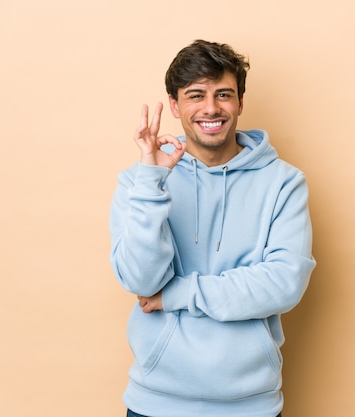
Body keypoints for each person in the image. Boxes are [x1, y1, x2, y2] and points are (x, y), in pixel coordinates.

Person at [109, 39, 316, 417]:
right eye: (195, 95)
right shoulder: (138, 183)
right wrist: (152, 182)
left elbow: (283, 284)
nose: (211, 108)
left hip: (251, 405)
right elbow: (141, 281)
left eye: (224, 94)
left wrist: (177, 294)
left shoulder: (284, 182)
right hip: (154, 403)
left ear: (240, 102)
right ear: (174, 105)